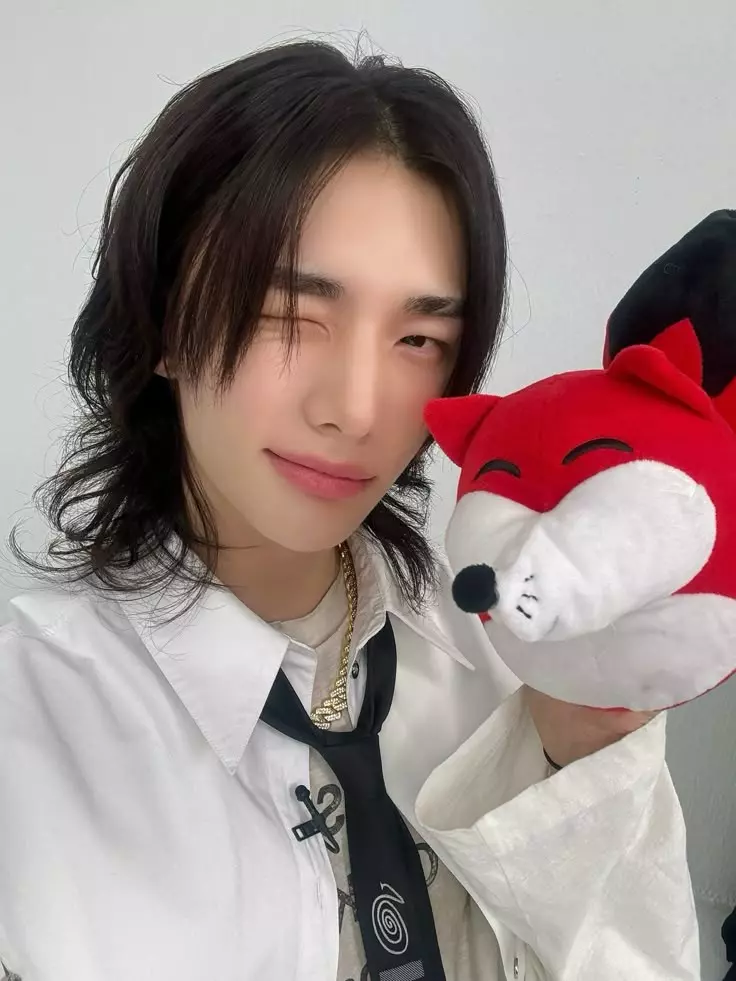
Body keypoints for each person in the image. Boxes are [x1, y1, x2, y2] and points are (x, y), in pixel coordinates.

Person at [0, 40, 699, 981]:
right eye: (289, 316)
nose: (357, 409)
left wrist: (583, 768)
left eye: (419, 338)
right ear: (163, 321)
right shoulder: (31, 733)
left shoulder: (518, 651)